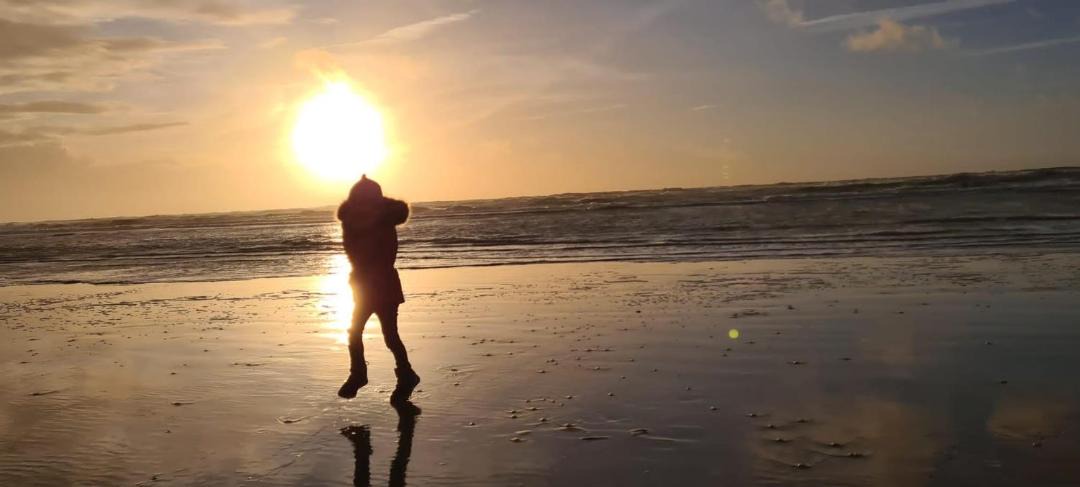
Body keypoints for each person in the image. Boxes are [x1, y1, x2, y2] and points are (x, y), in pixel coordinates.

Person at [336, 175, 420, 400]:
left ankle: (366, 374)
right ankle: (401, 373)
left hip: (379, 284)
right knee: (374, 333)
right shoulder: (367, 219)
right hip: (369, 284)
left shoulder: (380, 219)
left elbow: (364, 253)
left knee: (381, 334)